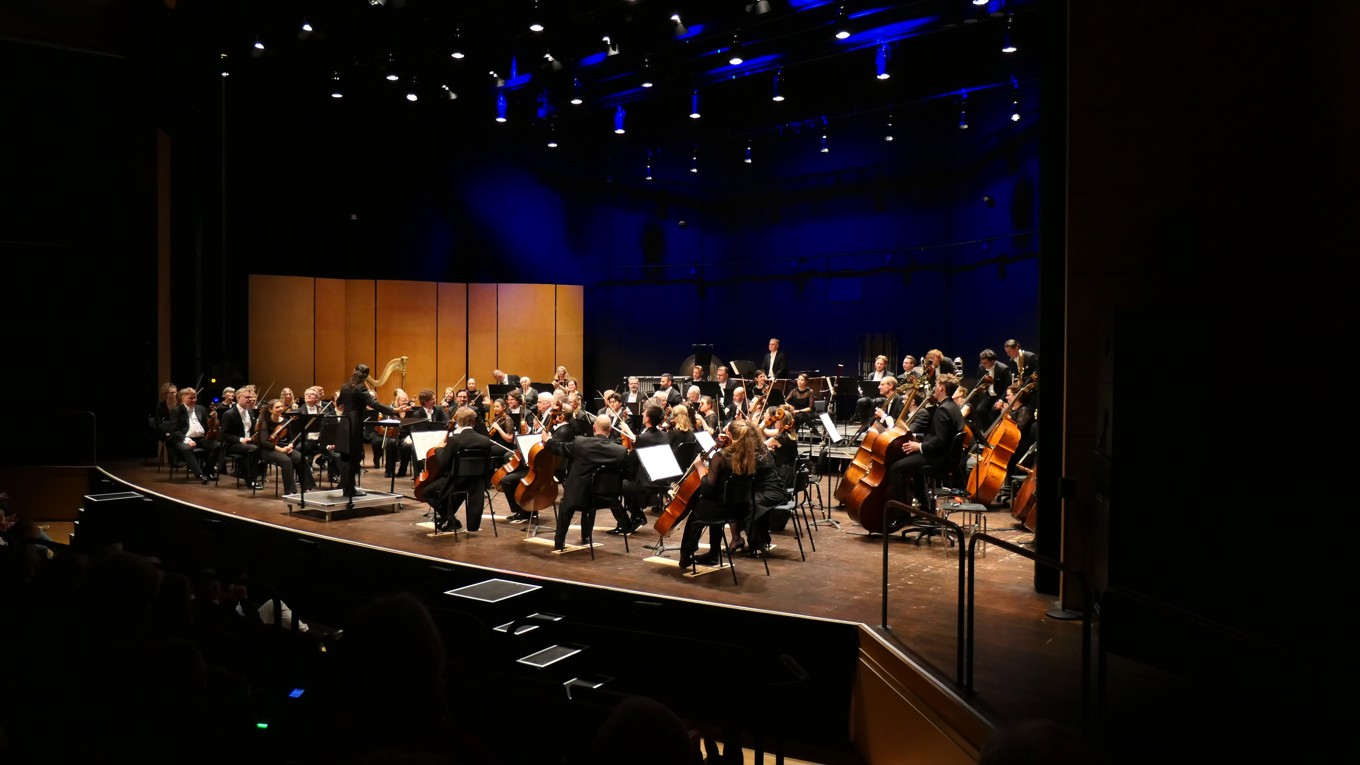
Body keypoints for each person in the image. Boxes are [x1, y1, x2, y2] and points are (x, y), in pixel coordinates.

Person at [678, 419, 762, 569]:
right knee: (715, 503)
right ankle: (713, 553)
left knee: (697, 511)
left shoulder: (720, 457)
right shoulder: (750, 456)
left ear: (730, 435)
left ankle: (685, 555)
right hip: (741, 510)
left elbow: (707, 489)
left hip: (722, 510)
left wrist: (700, 468)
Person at [540, 414, 629, 552]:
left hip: (577, 497)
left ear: (594, 428)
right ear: (611, 430)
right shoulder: (620, 451)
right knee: (592, 495)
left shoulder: (581, 443)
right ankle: (586, 535)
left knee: (566, 506)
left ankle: (559, 542)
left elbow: (560, 448)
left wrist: (548, 441)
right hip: (604, 498)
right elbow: (628, 474)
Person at [887, 373, 965, 530]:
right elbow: (941, 437)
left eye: (936, 385)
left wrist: (920, 447)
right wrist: (918, 439)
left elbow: (940, 441)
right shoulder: (953, 407)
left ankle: (902, 516)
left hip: (939, 459)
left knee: (896, 468)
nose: (934, 388)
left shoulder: (943, 410)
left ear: (941, 388)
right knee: (912, 465)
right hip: (947, 458)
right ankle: (924, 507)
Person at [422, 406, 495, 533]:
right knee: (460, 492)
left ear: (458, 422)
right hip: (478, 483)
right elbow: (489, 464)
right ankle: (470, 526)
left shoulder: (455, 440)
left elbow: (443, 462)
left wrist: (439, 449)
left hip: (456, 482)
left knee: (426, 492)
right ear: (473, 421)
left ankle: (449, 517)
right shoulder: (485, 440)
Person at [337, 364, 399, 499]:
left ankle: (346, 488)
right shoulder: (360, 387)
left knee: (346, 457)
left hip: (344, 421)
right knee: (355, 457)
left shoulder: (345, 387)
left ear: (354, 371)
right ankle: (350, 489)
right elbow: (374, 404)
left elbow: (338, 403)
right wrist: (392, 410)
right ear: (365, 377)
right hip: (355, 423)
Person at [499, 391, 557, 522]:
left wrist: (537, 430)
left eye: (540, 402)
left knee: (507, 480)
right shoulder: (542, 416)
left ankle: (523, 510)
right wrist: (530, 429)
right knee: (509, 456)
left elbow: (545, 438)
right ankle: (525, 508)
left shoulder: (551, 417)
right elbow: (536, 435)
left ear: (548, 403)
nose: (537, 404)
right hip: (533, 455)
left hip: (539, 461)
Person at [618, 404, 668, 533]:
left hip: (649, 481)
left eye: (644, 414)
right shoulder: (664, 435)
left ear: (647, 419)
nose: (642, 415)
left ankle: (634, 517)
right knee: (627, 483)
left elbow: (632, 459)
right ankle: (636, 515)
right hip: (661, 478)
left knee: (619, 485)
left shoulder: (644, 438)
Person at [255, 398, 313, 495]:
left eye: (281, 406)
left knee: (300, 457)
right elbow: (264, 442)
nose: (280, 409)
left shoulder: (286, 421)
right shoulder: (265, 421)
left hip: (284, 447)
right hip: (268, 450)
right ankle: (290, 491)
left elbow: (291, 438)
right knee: (286, 461)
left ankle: (306, 487)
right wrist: (281, 449)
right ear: (270, 410)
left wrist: (290, 445)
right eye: (277, 407)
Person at [165, 386, 222, 483]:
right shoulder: (177, 411)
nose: (193, 400)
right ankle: (199, 474)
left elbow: (208, 424)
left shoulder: (201, 409)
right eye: (190, 398)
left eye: (195, 398)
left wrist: (213, 418)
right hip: (182, 439)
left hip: (200, 439)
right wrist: (187, 440)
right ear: (183, 398)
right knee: (187, 448)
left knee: (217, 445)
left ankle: (207, 471)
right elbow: (175, 430)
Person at [218, 384, 263, 488]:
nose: (250, 399)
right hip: (232, 444)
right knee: (253, 449)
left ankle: (258, 475)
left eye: (251, 397)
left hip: (248, 443)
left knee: (262, 446)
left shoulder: (250, 411)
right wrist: (240, 439)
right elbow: (224, 435)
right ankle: (251, 480)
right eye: (247, 397)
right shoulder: (228, 414)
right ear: (238, 398)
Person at [974, 348, 1014, 433]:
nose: (983, 364)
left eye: (985, 363)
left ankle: (997, 432)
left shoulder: (1003, 368)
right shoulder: (981, 367)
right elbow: (979, 380)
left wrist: (1001, 400)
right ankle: (988, 432)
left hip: (1000, 396)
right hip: (989, 395)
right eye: (982, 362)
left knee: (994, 410)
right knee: (980, 410)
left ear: (992, 361)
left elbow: (1008, 386)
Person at [383, 388, 416, 478]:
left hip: (406, 436)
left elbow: (413, 427)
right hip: (393, 435)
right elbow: (386, 423)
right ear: (398, 401)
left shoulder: (411, 413)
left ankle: (402, 470)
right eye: (403, 400)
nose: (405, 402)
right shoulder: (393, 412)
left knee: (407, 446)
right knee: (391, 443)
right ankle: (389, 470)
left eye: (406, 400)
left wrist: (410, 436)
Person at [855, 355, 891, 422]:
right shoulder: (871, 375)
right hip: (871, 396)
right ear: (875, 363)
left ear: (885, 365)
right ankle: (864, 422)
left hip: (884, 397)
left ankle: (872, 422)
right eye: (877, 363)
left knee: (875, 401)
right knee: (860, 401)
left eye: (881, 364)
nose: (879, 365)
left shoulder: (889, 375)